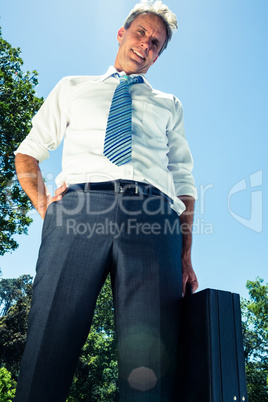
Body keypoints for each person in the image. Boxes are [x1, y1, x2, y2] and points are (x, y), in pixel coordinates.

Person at [14, 0, 198, 400]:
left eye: (156, 43)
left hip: (153, 219)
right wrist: (45, 204)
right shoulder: (72, 87)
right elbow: (28, 151)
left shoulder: (169, 105)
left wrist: (185, 254)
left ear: (157, 55)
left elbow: (183, 178)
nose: (145, 44)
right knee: (48, 346)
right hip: (78, 210)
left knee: (148, 369)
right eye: (141, 34)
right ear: (122, 33)